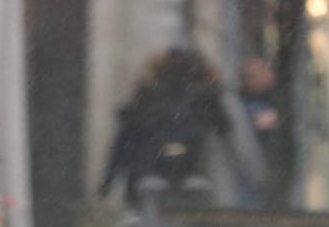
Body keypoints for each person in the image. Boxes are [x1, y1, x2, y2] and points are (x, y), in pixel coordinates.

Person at [100, 47, 263, 208]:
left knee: (148, 222)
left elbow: (123, 142)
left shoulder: (148, 96)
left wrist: (108, 182)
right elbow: (235, 140)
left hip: (148, 176)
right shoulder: (209, 97)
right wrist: (257, 178)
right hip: (197, 178)